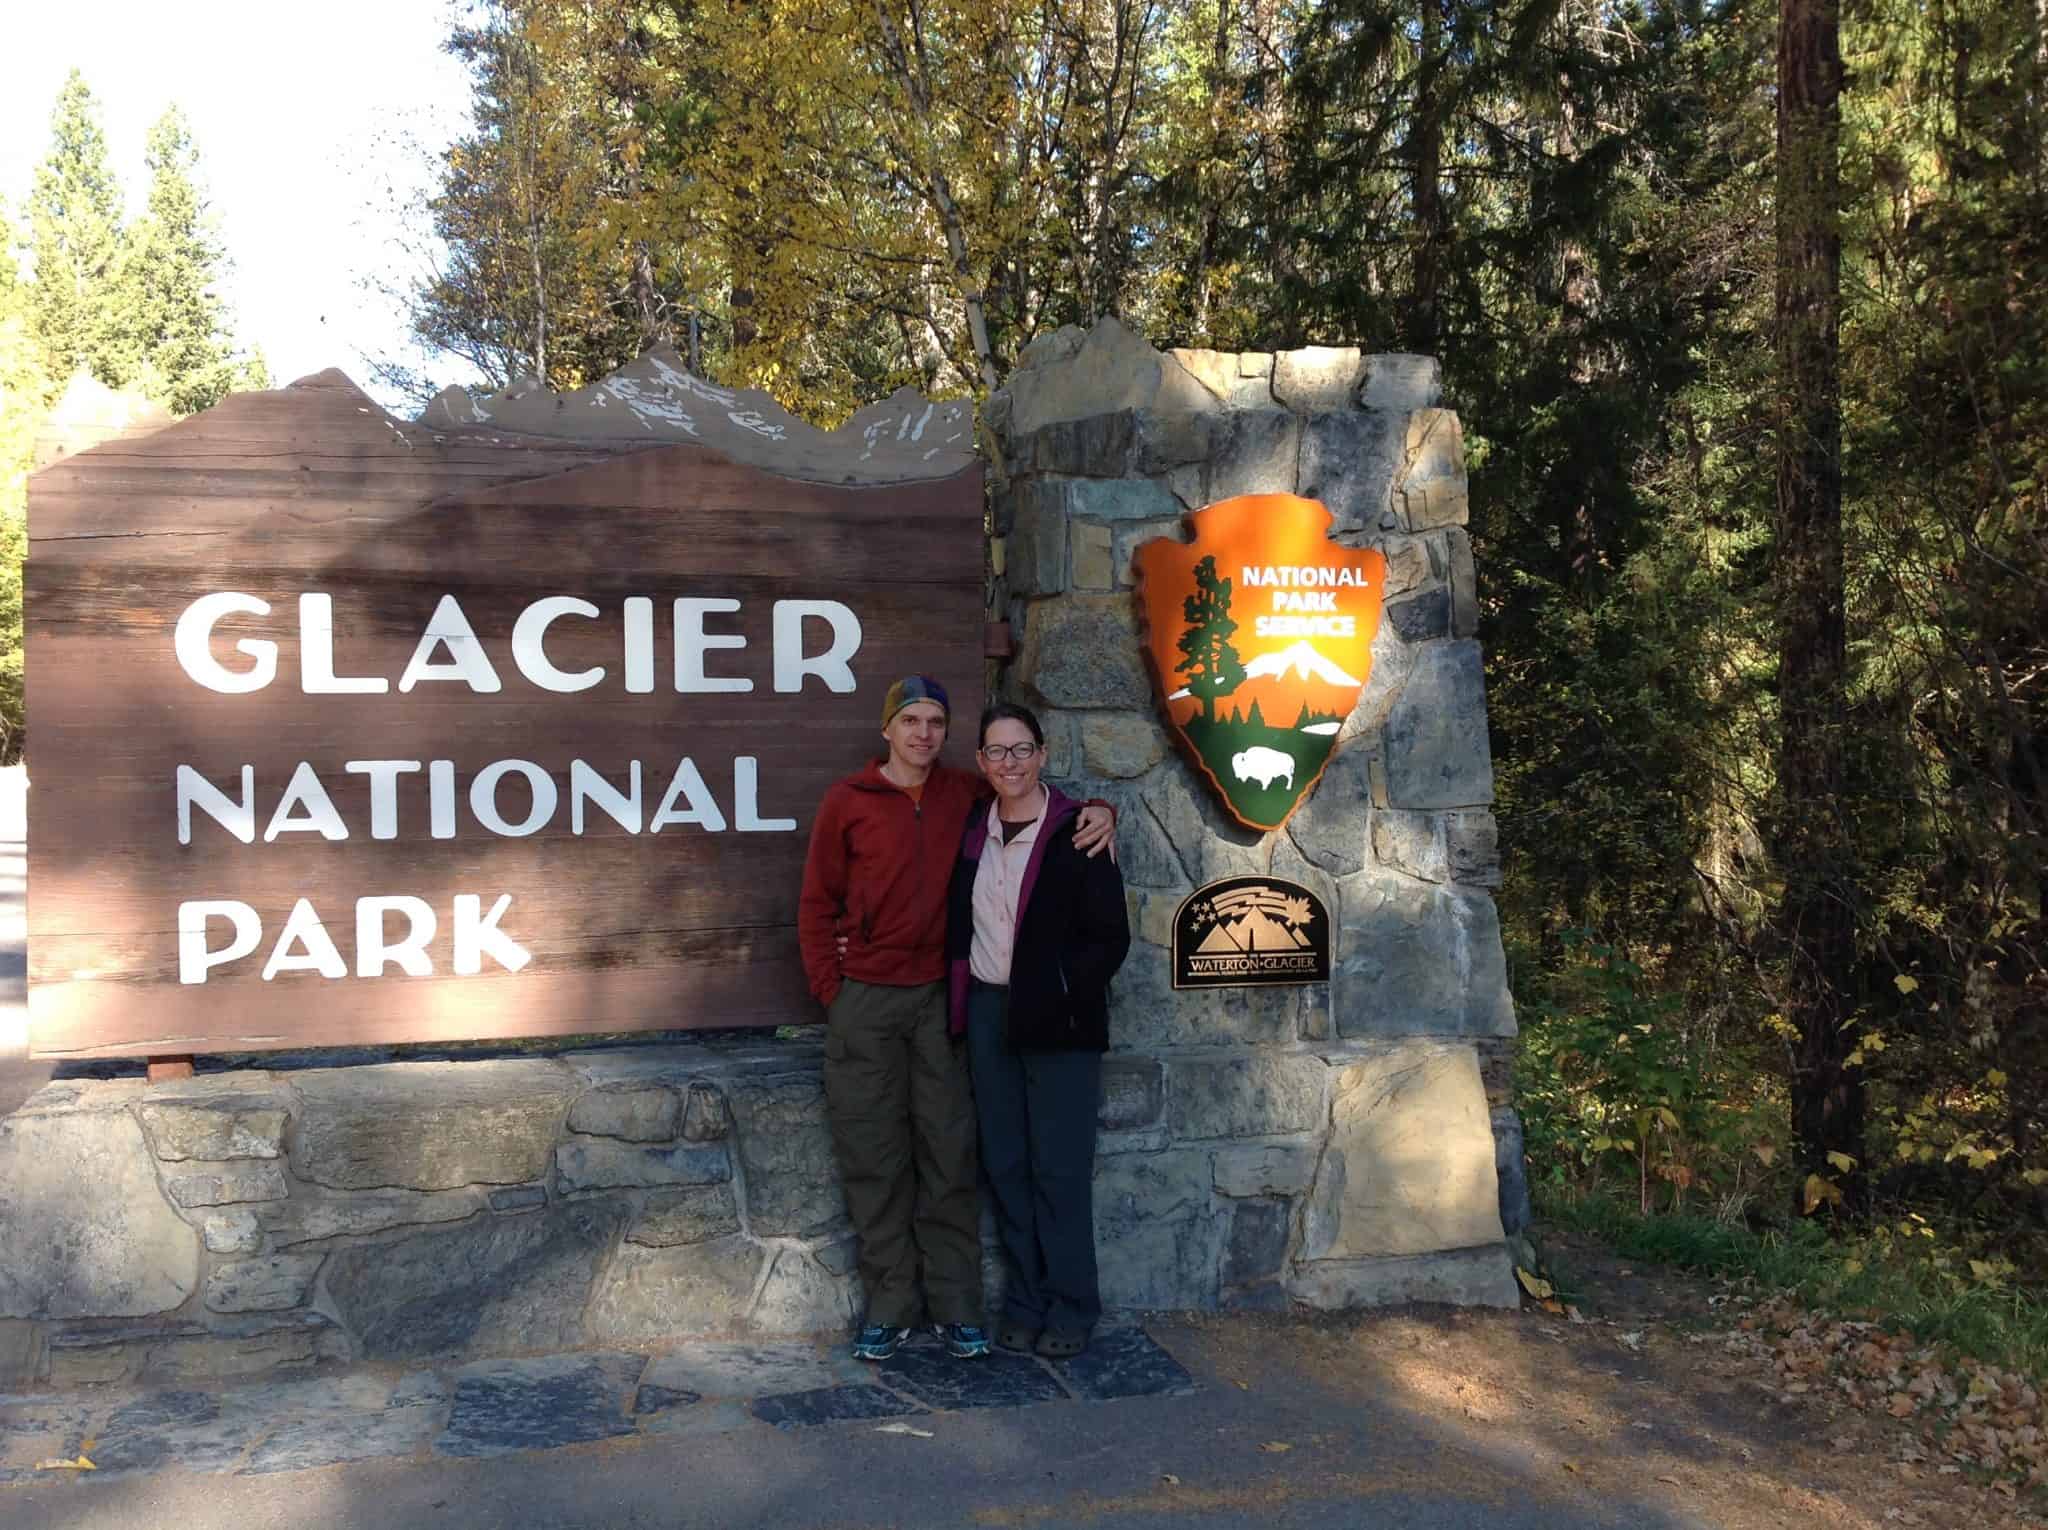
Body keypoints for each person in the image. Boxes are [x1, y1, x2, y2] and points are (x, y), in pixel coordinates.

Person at [798, 676, 1115, 1362]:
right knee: (874, 1157)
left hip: (946, 1002)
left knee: (951, 1156)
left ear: (948, 736)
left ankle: (958, 1305)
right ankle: (890, 1305)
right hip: (869, 1000)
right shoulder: (847, 802)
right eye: (909, 720)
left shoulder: (965, 798)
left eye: (935, 721)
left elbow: (1043, 807)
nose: (921, 733)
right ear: (888, 729)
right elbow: (816, 904)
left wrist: (1101, 808)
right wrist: (833, 987)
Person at [946, 701, 1130, 1359]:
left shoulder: (1078, 829)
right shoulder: (973, 830)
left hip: (1060, 1019)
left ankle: (1073, 1308)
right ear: (981, 762)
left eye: (1022, 749)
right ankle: (1024, 1301)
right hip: (992, 1015)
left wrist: (1057, 989)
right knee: (1007, 1164)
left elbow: (1111, 939)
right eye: (996, 751)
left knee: (1059, 1170)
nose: (1010, 762)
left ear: (1043, 754)